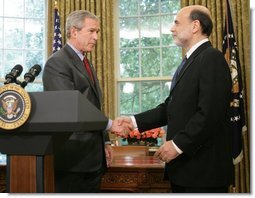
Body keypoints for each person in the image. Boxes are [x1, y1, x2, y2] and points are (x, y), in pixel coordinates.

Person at [117, 5, 234, 193]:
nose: (172, 28)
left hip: (203, 174)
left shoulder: (212, 58)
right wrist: (132, 121)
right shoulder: (189, 61)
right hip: (186, 171)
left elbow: (210, 114)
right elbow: (170, 108)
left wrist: (178, 145)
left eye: (177, 23)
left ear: (195, 26)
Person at [43, 10, 130, 193]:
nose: (96, 37)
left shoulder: (85, 62)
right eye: (91, 31)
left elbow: (93, 106)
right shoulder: (57, 63)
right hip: (73, 161)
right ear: (74, 31)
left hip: (92, 157)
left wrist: (105, 142)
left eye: (97, 32)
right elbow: (70, 108)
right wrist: (110, 125)